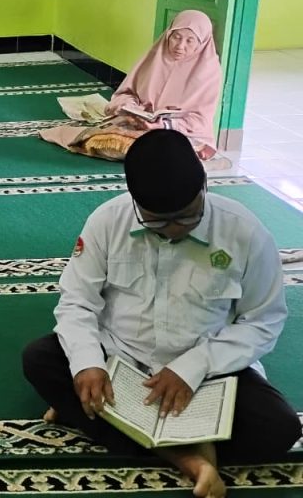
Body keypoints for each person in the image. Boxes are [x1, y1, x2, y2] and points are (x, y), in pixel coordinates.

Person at [22, 130, 299, 498]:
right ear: (134, 200)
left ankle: (93, 416)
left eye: (186, 218)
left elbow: (263, 321)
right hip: (122, 361)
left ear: (204, 185)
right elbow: (77, 301)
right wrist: (87, 364)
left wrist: (193, 367)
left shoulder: (245, 233)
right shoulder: (107, 221)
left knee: (278, 429)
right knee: (40, 359)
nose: (172, 231)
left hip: (208, 372)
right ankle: (192, 457)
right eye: (156, 222)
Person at [41, 10, 221, 161]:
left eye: (190, 40)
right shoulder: (154, 58)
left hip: (180, 132)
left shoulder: (208, 72)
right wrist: (132, 108)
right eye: (176, 37)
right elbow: (125, 94)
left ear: (202, 43)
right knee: (102, 140)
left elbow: (200, 121)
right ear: (168, 35)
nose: (180, 46)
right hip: (138, 123)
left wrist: (163, 125)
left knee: (161, 149)